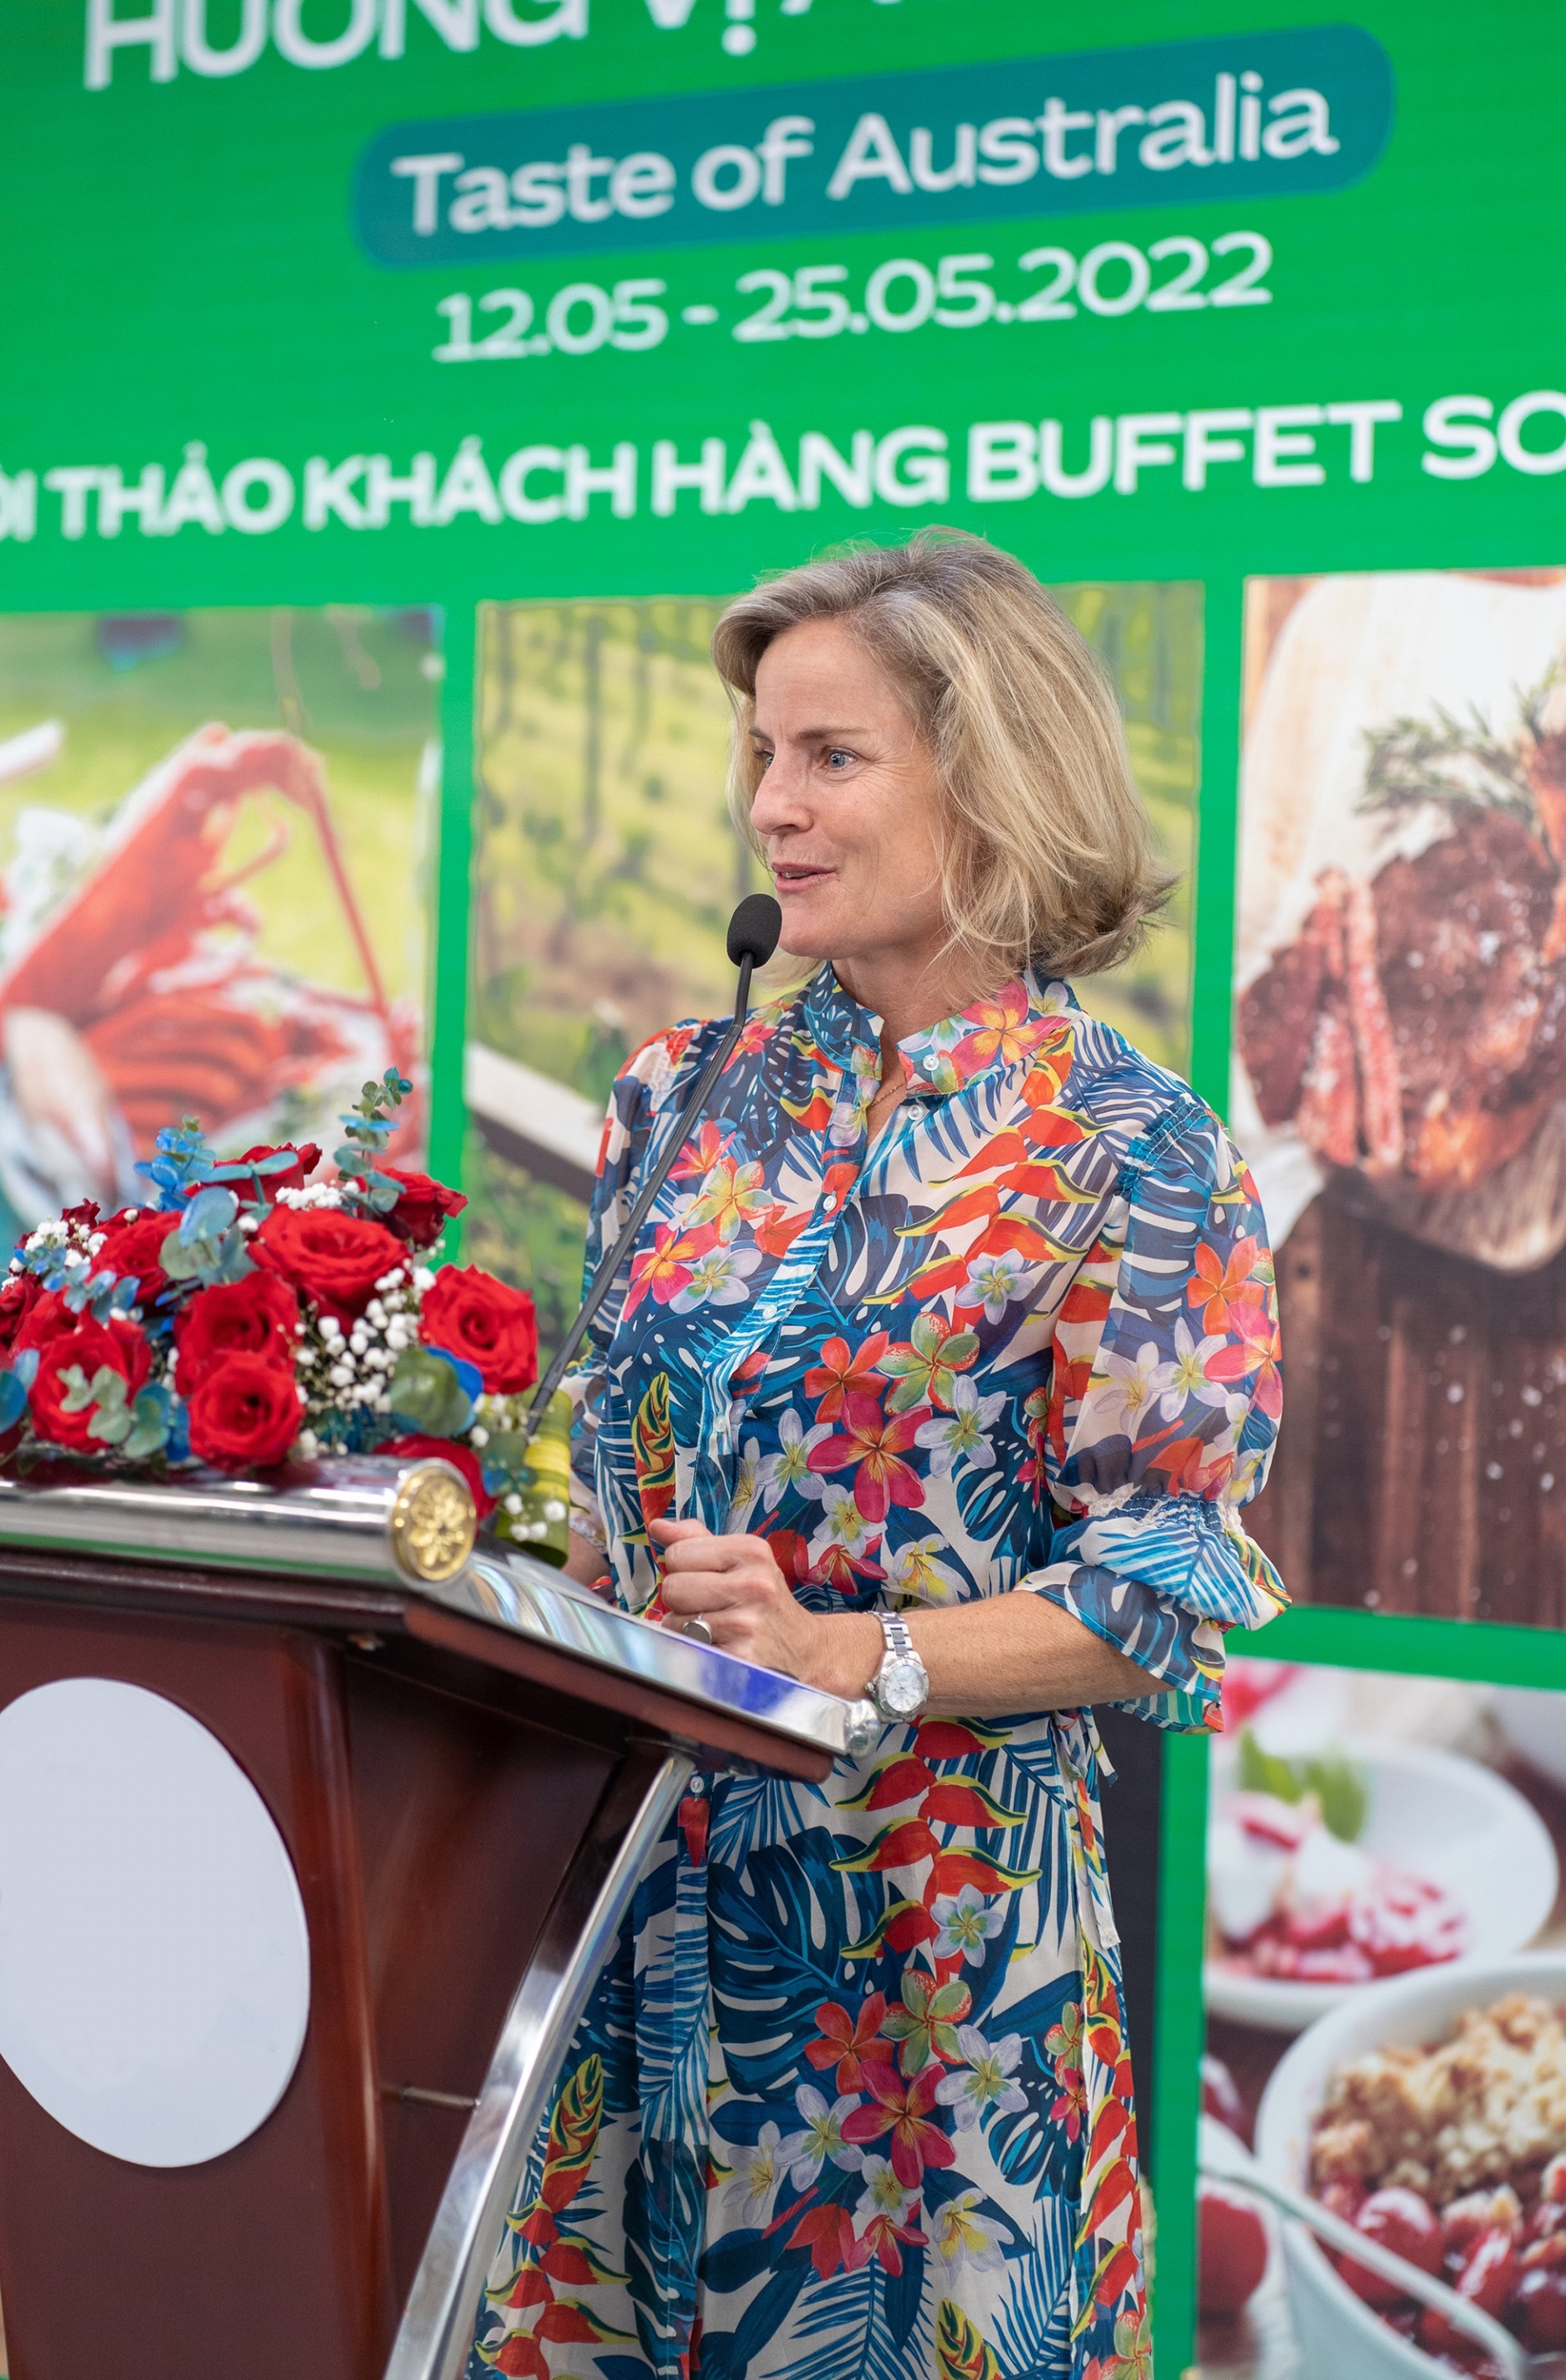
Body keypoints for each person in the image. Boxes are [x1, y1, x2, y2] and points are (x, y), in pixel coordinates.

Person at [470, 532, 1287, 2380]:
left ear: (986, 776)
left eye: (832, 757)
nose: (774, 805)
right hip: (636, 1915)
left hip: (938, 1985)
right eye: (763, 753)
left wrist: (854, 1653)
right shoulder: (676, 1095)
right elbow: (609, 1485)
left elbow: (1164, 1603)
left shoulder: (1137, 1152)